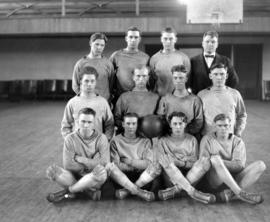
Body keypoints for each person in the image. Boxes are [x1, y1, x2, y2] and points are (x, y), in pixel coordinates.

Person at [199, 114, 266, 204]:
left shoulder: (238, 141)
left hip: (234, 180)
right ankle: (239, 193)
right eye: (220, 126)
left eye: (226, 125)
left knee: (261, 165)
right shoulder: (207, 139)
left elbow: (239, 166)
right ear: (215, 126)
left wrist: (220, 163)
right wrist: (218, 162)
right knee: (215, 159)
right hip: (214, 181)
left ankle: (230, 194)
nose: (223, 128)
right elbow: (204, 162)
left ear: (230, 126)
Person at [46, 108, 110, 203]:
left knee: (101, 172)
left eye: (89, 122)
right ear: (77, 121)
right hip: (74, 176)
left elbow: (104, 163)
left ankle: (68, 191)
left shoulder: (102, 138)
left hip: (94, 177)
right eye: (83, 121)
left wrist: (81, 159)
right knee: (54, 172)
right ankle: (88, 192)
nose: (86, 125)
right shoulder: (70, 139)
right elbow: (68, 165)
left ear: (94, 123)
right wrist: (93, 163)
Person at [156, 112, 216, 204]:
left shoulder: (192, 140)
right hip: (171, 178)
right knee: (166, 162)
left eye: (180, 124)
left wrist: (179, 162)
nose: (178, 127)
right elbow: (162, 163)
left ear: (185, 124)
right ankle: (192, 192)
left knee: (204, 162)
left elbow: (194, 163)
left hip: (191, 176)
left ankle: (176, 190)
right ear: (170, 125)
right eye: (175, 124)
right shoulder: (162, 141)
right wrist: (183, 160)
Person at [106, 113, 161, 201]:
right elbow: (116, 164)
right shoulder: (115, 141)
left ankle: (127, 191)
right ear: (123, 124)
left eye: (133, 124)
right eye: (128, 123)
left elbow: (148, 164)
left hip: (142, 178)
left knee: (156, 166)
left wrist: (130, 161)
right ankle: (140, 192)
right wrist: (138, 165)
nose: (131, 126)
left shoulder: (145, 141)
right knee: (109, 167)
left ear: (137, 125)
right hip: (122, 178)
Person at [62, 66, 114, 141]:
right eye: (86, 81)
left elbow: (110, 125)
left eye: (92, 81)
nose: (89, 84)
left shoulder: (103, 103)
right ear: (80, 81)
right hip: (78, 148)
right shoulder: (72, 103)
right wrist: (71, 143)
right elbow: (65, 126)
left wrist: (104, 141)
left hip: (97, 148)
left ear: (95, 82)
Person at [197, 63, 247, 137]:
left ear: (226, 76)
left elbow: (242, 115)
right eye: (215, 74)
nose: (219, 77)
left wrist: (238, 132)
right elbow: (198, 118)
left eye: (222, 74)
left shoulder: (235, 94)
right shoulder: (201, 95)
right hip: (208, 139)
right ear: (210, 76)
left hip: (229, 137)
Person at [157, 65, 203, 137]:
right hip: (169, 137)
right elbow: (160, 119)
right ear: (173, 79)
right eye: (175, 78)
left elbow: (198, 122)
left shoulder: (195, 100)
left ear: (186, 79)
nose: (178, 81)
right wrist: (172, 132)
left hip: (188, 137)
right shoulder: (165, 99)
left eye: (181, 78)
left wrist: (183, 131)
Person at [189, 30, 239, 94]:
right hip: (199, 99)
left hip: (219, 99)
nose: (210, 44)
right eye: (207, 42)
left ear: (217, 44)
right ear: (202, 44)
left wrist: (224, 94)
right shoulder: (192, 61)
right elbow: (188, 82)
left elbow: (234, 81)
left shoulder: (226, 61)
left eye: (213, 42)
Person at [114, 65, 159, 134]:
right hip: (130, 136)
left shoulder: (156, 97)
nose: (141, 79)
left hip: (149, 136)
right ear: (133, 77)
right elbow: (117, 118)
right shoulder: (124, 97)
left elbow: (159, 119)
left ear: (148, 78)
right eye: (138, 76)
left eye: (144, 76)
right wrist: (129, 127)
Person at [110, 27, 149, 103]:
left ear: (139, 39)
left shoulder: (146, 57)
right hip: (119, 97)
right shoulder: (116, 56)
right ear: (126, 38)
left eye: (136, 37)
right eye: (131, 37)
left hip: (139, 97)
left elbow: (149, 80)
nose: (133, 40)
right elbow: (109, 77)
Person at [72, 33, 114, 102]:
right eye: (97, 44)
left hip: (103, 102)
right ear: (91, 43)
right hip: (85, 102)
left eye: (102, 45)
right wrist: (85, 97)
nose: (99, 47)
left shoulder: (108, 64)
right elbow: (75, 86)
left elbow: (111, 85)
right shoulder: (81, 63)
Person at [150, 27, 191, 96]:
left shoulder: (184, 58)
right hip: (160, 98)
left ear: (175, 40)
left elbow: (187, 80)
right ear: (161, 39)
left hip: (179, 98)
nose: (168, 41)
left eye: (171, 39)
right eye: (165, 39)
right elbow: (152, 81)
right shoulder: (154, 58)